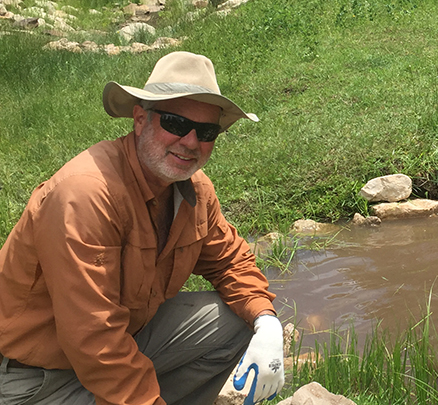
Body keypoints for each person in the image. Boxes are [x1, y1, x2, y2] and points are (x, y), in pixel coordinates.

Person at [0, 51, 283, 405]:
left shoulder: (196, 191)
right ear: (139, 119)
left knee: (237, 321)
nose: (191, 142)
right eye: (176, 124)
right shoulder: (86, 195)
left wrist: (267, 323)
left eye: (206, 131)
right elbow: (93, 337)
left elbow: (230, 263)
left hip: (122, 343)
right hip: (36, 380)